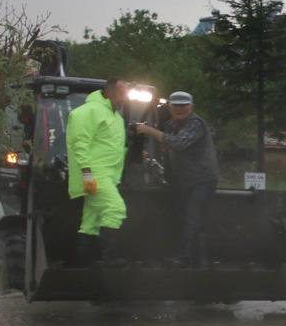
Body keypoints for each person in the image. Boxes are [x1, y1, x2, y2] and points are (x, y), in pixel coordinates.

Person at [133, 90, 220, 267]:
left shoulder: (196, 124)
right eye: (176, 105)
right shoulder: (171, 124)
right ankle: (193, 259)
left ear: (191, 107)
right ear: (170, 107)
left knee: (192, 217)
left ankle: (186, 258)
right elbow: (168, 149)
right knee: (179, 216)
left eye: (184, 105)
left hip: (201, 179)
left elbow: (178, 144)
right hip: (182, 180)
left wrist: (149, 130)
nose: (180, 109)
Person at [66, 77, 130, 265]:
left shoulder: (116, 117)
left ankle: (83, 265)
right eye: (121, 94)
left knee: (90, 223)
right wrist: (87, 174)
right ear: (108, 91)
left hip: (108, 176)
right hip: (95, 174)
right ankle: (108, 258)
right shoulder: (89, 111)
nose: (123, 99)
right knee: (115, 209)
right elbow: (79, 144)